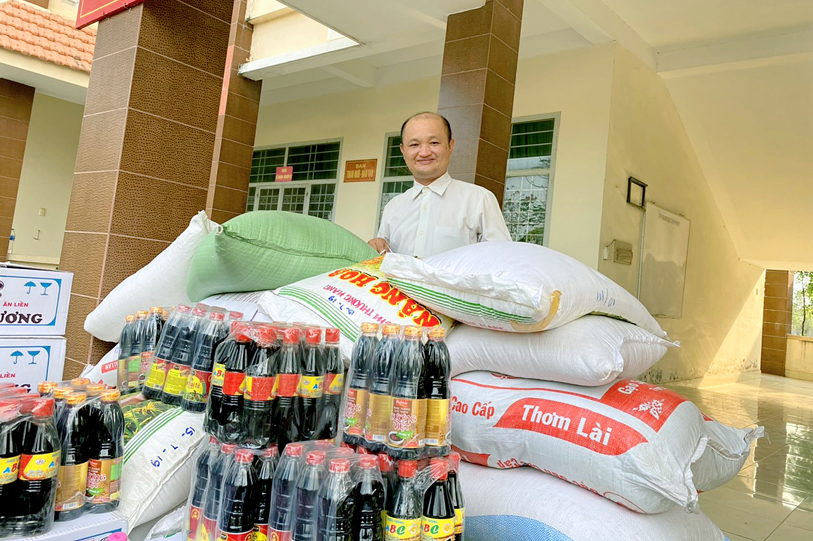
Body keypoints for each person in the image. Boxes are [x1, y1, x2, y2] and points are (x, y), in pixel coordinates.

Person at [369, 112, 511, 258]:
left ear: (450, 146)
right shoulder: (393, 207)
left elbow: (501, 258)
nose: (424, 152)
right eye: (414, 144)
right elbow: (382, 259)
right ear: (403, 150)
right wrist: (377, 246)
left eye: (434, 143)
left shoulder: (479, 200)